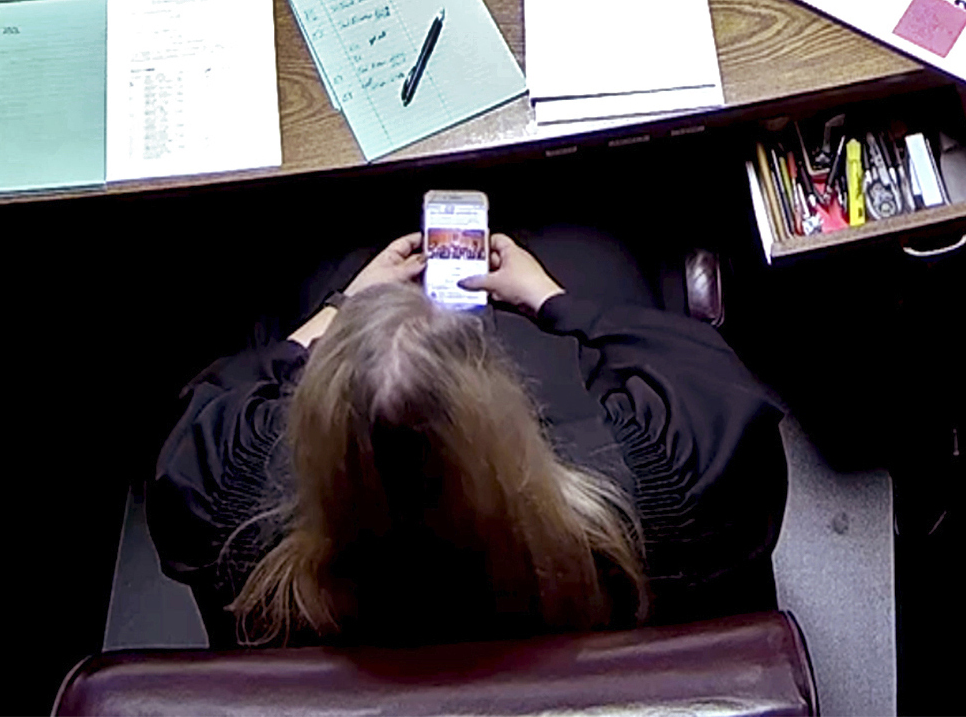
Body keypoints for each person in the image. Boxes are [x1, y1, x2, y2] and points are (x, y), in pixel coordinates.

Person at [149, 225, 787, 649]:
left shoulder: (226, 517)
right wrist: (549, 299)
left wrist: (341, 307)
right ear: (506, 401)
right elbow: (702, 368)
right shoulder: (664, 498)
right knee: (591, 245)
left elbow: (218, 392)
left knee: (323, 254)